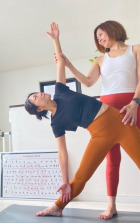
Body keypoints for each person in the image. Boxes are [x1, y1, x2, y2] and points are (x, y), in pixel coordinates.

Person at [24, 22, 140, 217]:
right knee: (81, 177)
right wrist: (64, 179)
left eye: (37, 92)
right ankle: (57, 207)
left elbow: (60, 62)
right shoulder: (56, 123)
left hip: (120, 120)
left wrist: (56, 41)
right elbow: (62, 153)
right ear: (40, 108)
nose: (40, 93)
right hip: (99, 135)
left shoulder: (60, 91)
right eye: (36, 97)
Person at [58, 20, 140, 219]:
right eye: (97, 38)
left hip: (132, 106)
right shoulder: (100, 60)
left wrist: (135, 102)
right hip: (106, 110)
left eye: (101, 34)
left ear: (113, 30)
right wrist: (68, 65)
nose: (100, 39)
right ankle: (111, 205)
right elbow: (87, 82)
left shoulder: (135, 50)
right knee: (112, 160)